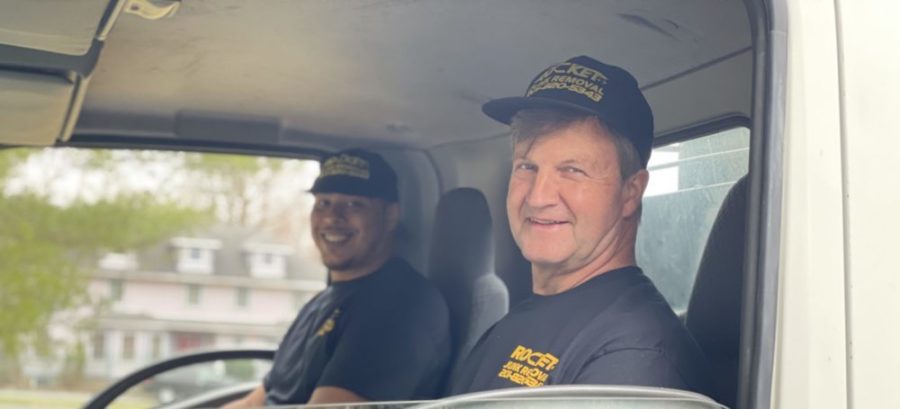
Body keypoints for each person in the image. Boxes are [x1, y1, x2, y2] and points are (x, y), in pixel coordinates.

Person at [448, 56, 715, 398]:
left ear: (630, 192)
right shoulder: (518, 320)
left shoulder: (635, 358)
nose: (538, 196)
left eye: (572, 170)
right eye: (527, 166)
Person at [224, 149, 451, 407]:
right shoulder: (325, 300)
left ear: (390, 216)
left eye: (354, 204)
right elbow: (260, 399)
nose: (332, 217)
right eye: (323, 203)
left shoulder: (400, 306)